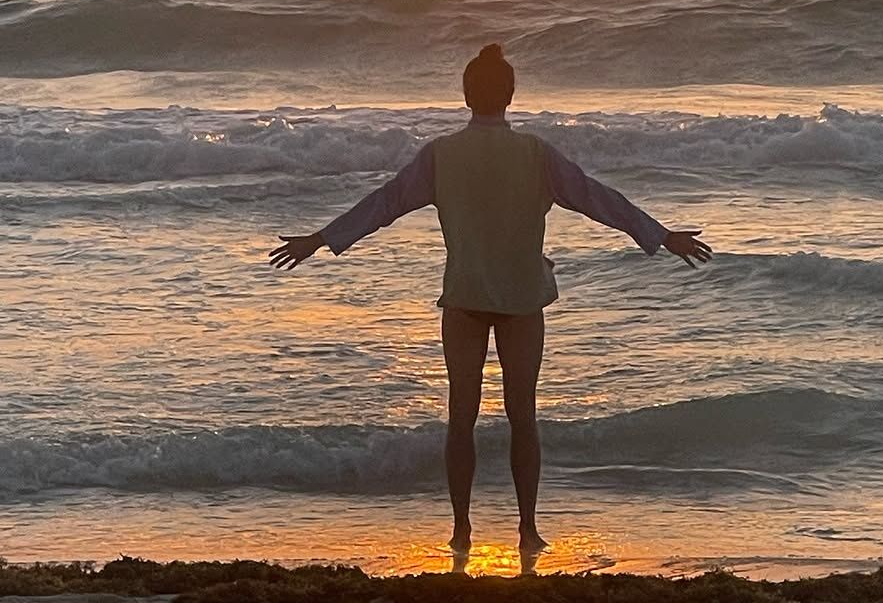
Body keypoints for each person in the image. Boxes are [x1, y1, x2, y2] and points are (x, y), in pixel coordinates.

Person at [270, 44, 710, 555]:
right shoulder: (536, 154)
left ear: (465, 96)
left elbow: (384, 204)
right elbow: (597, 199)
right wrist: (657, 235)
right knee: (523, 414)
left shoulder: (440, 154)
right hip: (522, 298)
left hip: (465, 297)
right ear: (510, 96)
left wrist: (321, 238)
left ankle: (461, 530)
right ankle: (527, 529)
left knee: (463, 416)